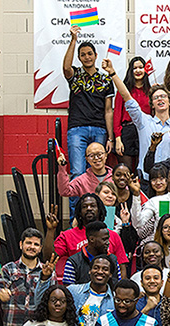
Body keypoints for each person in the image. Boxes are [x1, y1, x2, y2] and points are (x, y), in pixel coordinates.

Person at [63, 27, 114, 217]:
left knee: (99, 175)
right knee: (77, 173)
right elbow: (66, 68)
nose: (86, 57)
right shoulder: (75, 76)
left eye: (89, 54)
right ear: (79, 57)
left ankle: (99, 215)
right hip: (77, 129)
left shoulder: (105, 78)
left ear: (95, 55)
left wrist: (110, 137)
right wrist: (73, 40)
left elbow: (109, 111)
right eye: (82, 55)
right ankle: (76, 218)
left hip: (100, 129)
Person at [102, 58, 170, 179]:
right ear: (152, 104)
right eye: (156, 97)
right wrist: (112, 73)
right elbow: (126, 96)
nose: (160, 99)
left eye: (163, 96)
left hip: (167, 182)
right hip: (146, 179)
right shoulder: (144, 122)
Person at [45, 196, 128, 282]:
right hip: (79, 286)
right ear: (79, 212)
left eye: (93, 206)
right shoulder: (67, 235)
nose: (89, 209)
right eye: (84, 207)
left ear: (99, 210)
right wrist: (50, 231)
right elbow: (49, 258)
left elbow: (122, 267)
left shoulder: (113, 235)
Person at [0, 228, 43, 326]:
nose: (32, 247)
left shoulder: (46, 272)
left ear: (40, 248)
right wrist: (0, 293)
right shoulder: (9, 269)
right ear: (21, 245)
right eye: (28, 243)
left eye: (36, 244)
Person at [114, 57, 151, 170]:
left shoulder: (150, 91)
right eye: (135, 68)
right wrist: (118, 138)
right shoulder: (124, 90)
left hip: (145, 131)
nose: (138, 70)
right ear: (130, 71)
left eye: (141, 67)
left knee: (144, 169)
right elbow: (116, 115)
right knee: (127, 170)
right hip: (127, 132)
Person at [63, 221, 121, 286]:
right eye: (104, 239)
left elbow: (117, 286)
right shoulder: (73, 262)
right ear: (91, 239)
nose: (108, 243)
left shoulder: (113, 259)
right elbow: (69, 290)